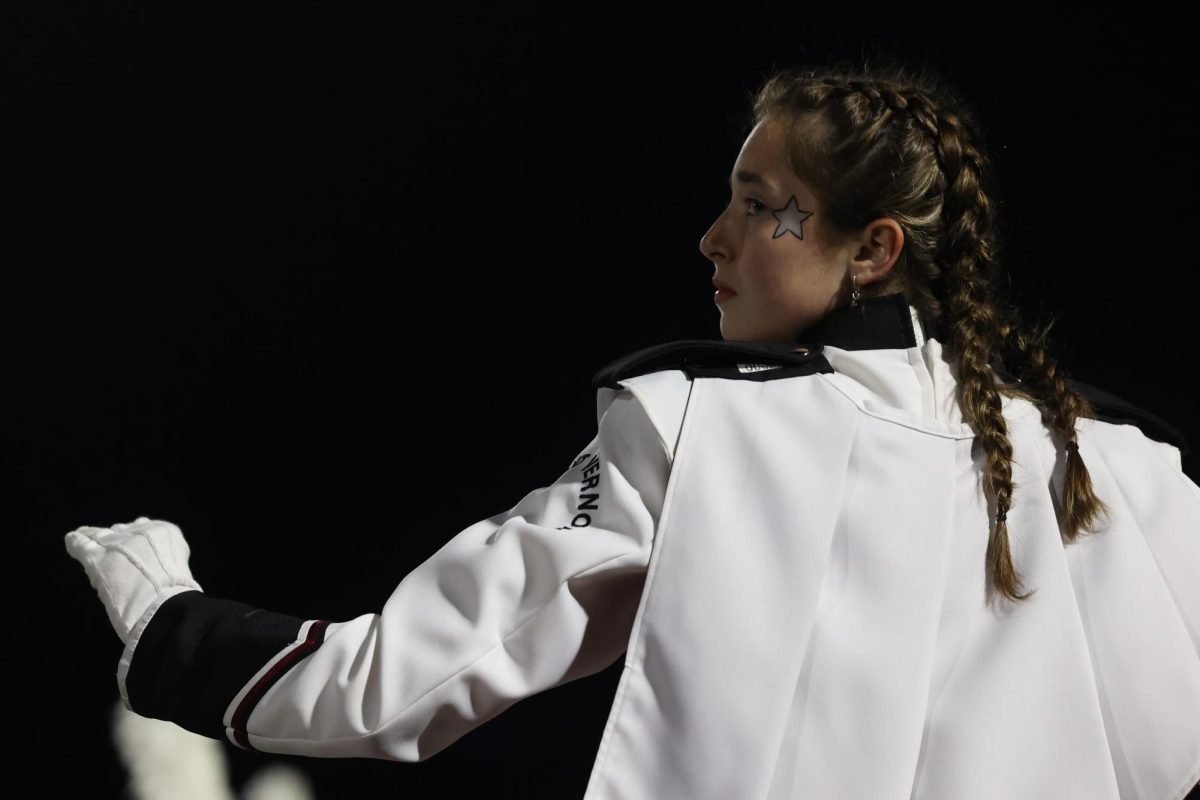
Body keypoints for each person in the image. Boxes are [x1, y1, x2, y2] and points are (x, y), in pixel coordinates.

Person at [66, 59, 1200, 800]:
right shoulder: (1131, 471)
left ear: (875, 249)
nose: (714, 237)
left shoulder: (699, 427)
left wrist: (170, 626)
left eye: (759, 206)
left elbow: (395, 684)